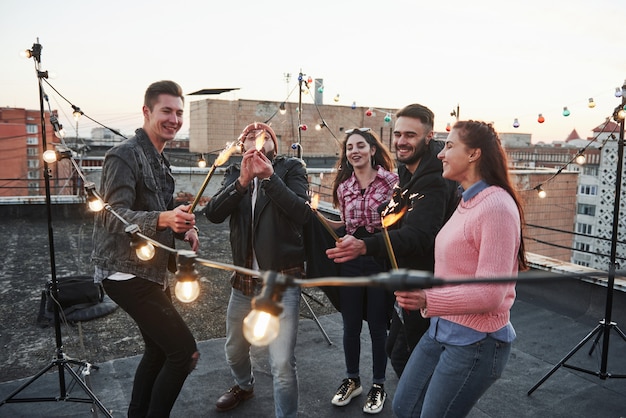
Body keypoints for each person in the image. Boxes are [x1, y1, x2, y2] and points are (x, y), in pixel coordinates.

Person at [392, 120, 528, 417]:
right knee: (404, 406)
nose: (440, 153)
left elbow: (491, 294)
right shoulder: (467, 201)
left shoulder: (496, 207)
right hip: (442, 328)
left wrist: (428, 299)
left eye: (450, 146)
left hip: (476, 342)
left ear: (473, 154)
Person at [91, 80, 200, 417]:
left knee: (157, 352)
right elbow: (112, 216)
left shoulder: (160, 160)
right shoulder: (123, 155)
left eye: (179, 112)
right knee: (184, 354)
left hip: (152, 273)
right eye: (166, 110)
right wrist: (165, 218)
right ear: (146, 112)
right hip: (126, 273)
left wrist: (183, 229)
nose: (174, 118)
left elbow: (162, 213)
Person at [327, 104, 459, 378]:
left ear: (429, 136)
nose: (401, 141)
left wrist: (365, 245)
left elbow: (420, 234)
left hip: (422, 279)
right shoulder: (408, 170)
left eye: (410, 135)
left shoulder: (430, 178)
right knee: (393, 348)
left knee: (406, 355)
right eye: (398, 134)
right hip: (398, 270)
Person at [205, 122, 310, 418]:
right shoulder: (235, 172)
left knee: (281, 364)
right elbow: (212, 213)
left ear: (273, 145)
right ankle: (244, 384)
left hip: (281, 281)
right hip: (243, 280)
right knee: (234, 348)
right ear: (242, 147)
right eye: (249, 136)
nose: (256, 137)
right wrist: (241, 183)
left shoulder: (290, 168)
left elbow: (302, 212)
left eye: (263, 135)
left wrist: (269, 178)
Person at [325, 128, 398, 414]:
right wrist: (317, 217)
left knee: (379, 326)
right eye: (349, 148)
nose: (354, 151)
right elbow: (345, 225)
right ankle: (352, 379)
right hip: (352, 262)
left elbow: (397, 224)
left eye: (360, 146)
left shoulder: (392, 181)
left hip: (379, 259)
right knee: (351, 324)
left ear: (371, 149)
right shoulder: (344, 187)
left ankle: (378, 384)